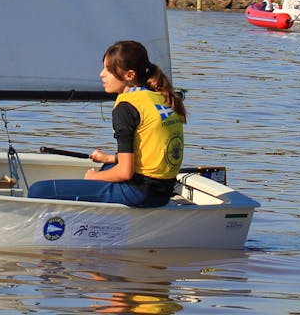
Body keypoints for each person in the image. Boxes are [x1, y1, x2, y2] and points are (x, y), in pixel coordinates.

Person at [26, 40, 186, 207]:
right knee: (105, 168)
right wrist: (111, 158)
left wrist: (93, 178)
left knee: (38, 191)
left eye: (108, 70)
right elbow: (151, 150)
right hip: (163, 191)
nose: (101, 74)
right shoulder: (160, 97)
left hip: (140, 192)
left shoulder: (126, 106)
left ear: (129, 75)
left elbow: (125, 172)